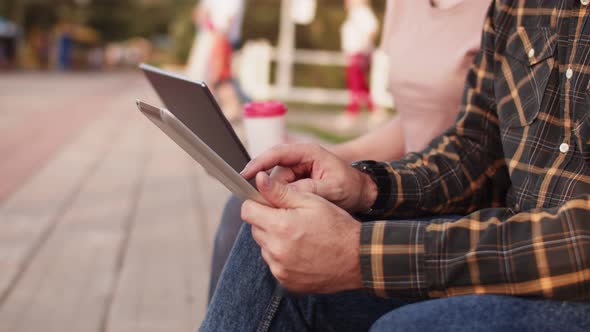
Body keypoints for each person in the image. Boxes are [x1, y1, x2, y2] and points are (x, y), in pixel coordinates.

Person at [201, 0, 590, 330]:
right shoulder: (518, 5)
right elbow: (475, 148)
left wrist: (360, 253)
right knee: (274, 244)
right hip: (510, 253)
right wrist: (366, 185)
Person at [207, 0, 491, 301]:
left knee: (272, 232)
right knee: (244, 208)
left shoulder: (507, 10)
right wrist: (320, 155)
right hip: (403, 180)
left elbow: (482, 148)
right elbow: (409, 122)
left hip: (455, 201)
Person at [339, 0, 378, 128]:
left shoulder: (361, 13)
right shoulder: (354, 14)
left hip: (359, 52)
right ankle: (374, 109)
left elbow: (372, 30)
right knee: (360, 84)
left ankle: (352, 112)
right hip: (355, 53)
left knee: (354, 84)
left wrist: (364, 49)